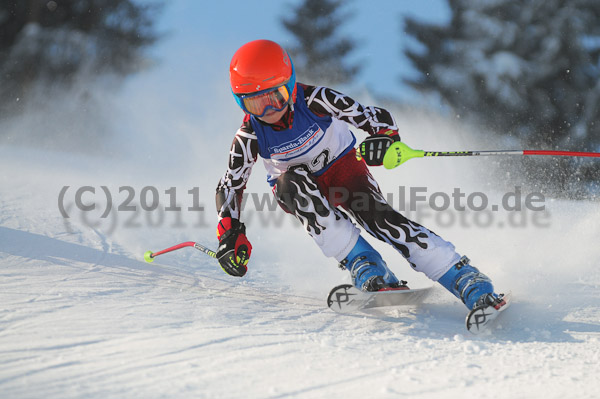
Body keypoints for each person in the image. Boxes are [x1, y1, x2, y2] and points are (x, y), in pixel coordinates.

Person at [215, 39, 501, 311]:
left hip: (343, 171)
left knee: (380, 219)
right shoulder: (250, 135)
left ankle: (463, 277)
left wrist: (386, 138)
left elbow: (373, 116)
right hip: (299, 188)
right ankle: (363, 262)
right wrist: (229, 235)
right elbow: (230, 185)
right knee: (291, 186)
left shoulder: (316, 100)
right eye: (254, 104)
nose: (269, 111)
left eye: (275, 98)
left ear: (289, 86)